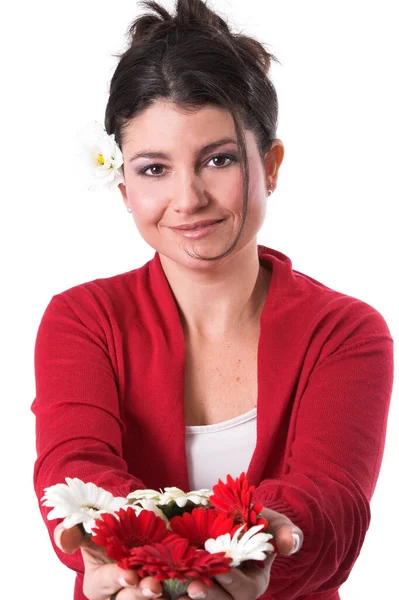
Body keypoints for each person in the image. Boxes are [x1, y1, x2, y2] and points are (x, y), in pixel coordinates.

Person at [31, 1, 394, 599]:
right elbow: (74, 466)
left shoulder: (345, 330)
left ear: (270, 166)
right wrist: (137, 554)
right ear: (124, 186)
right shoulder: (81, 319)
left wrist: (273, 536)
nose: (188, 198)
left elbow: (333, 499)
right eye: (154, 169)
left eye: (218, 160)